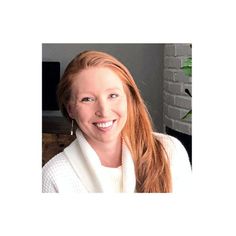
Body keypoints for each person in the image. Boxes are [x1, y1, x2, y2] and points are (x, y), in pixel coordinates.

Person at [42, 50, 191, 193]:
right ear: (70, 110)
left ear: (129, 99)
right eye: (87, 99)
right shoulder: (54, 176)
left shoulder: (169, 151)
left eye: (113, 95)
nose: (104, 111)